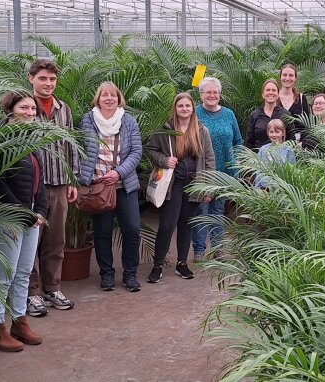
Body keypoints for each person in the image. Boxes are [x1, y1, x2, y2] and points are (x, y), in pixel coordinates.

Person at [0, 92, 47, 352]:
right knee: (4, 274)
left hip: (32, 215)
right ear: (10, 109)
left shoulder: (30, 139)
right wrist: (23, 212)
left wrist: (41, 209)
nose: (30, 112)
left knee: (23, 272)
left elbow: (39, 179)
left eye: (33, 108)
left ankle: (19, 321)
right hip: (8, 216)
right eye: (24, 107)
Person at [78, 82, 143, 292]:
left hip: (124, 185)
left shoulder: (128, 121)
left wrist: (118, 172)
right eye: (104, 95)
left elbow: (136, 152)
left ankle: (130, 274)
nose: (109, 99)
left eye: (113, 95)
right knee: (102, 232)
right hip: (97, 187)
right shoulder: (88, 120)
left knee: (132, 229)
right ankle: (106, 274)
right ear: (98, 99)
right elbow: (80, 149)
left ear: (119, 98)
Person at [27, 59, 78, 318]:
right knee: (31, 242)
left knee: (55, 240)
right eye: (43, 79)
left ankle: (52, 288)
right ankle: (31, 292)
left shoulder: (63, 109)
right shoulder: (23, 108)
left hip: (59, 183)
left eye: (52, 79)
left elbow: (70, 145)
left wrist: (71, 179)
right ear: (31, 78)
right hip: (31, 187)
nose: (48, 84)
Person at [146, 93, 215, 283]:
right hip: (172, 184)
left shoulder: (201, 130)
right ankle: (158, 265)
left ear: (193, 108)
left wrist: (208, 187)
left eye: (188, 106)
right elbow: (151, 150)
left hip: (193, 185)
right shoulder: (166, 130)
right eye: (181, 106)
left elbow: (209, 159)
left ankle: (181, 264)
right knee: (167, 225)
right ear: (175, 109)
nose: (184, 109)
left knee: (186, 225)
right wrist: (164, 160)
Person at [191, 77, 242, 262]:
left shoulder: (229, 114)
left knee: (217, 211)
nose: (212, 95)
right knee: (200, 211)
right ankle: (198, 248)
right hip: (201, 172)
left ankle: (218, 248)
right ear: (201, 94)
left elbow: (238, 141)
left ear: (220, 95)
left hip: (224, 172)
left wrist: (236, 164)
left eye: (215, 92)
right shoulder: (194, 114)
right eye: (208, 92)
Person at [245, 78, 295, 151]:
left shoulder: (286, 115)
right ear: (263, 94)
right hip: (257, 159)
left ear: (278, 94)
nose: (271, 92)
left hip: (281, 159)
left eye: (274, 90)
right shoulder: (254, 115)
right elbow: (248, 142)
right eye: (268, 90)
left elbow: (291, 140)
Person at [255, 119, 296, 189]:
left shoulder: (288, 150)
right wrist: (257, 188)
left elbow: (292, 171)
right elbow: (259, 171)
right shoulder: (263, 150)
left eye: (277, 132)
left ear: (283, 133)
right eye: (271, 132)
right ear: (268, 133)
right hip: (265, 188)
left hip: (283, 188)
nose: (274, 135)